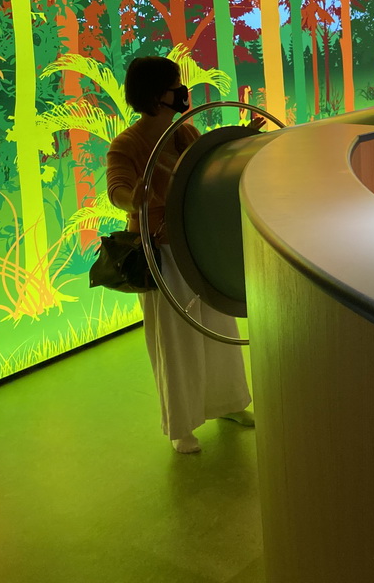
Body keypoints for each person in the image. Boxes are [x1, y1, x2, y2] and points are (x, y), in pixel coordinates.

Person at [107, 56, 254, 454]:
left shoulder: (185, 134)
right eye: (176, 86)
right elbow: (116, 187)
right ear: (157, 96)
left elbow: (211, 168)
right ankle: (181, 427)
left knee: (218, 323)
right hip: (160, 252)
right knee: (173, 339)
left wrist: (244, 139)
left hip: (197, 244)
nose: (182, 93)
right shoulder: (127, 144)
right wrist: (131, 198)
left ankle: (230, 402)